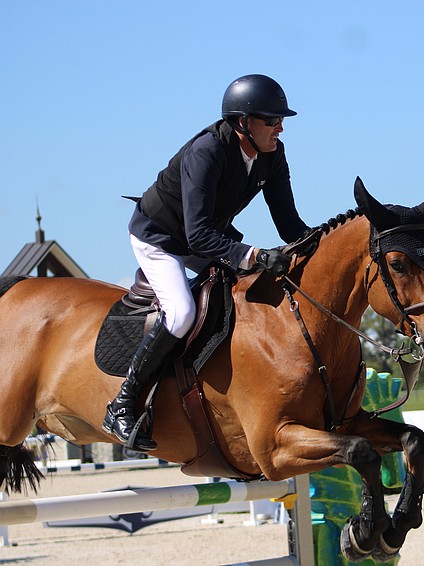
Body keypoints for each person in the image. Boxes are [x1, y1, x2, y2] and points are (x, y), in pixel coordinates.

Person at [103, 74, 311, 452]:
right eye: (272, 120)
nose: (280, 128)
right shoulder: (207, 152)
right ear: (243, 122)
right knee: (181, 312)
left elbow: (289, 224)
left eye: (282, 120)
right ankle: (123, 402)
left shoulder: (272, 154)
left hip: (207, 232)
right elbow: (196, 237)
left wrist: (321, 243)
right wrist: (253, 254)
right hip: (161, 235)